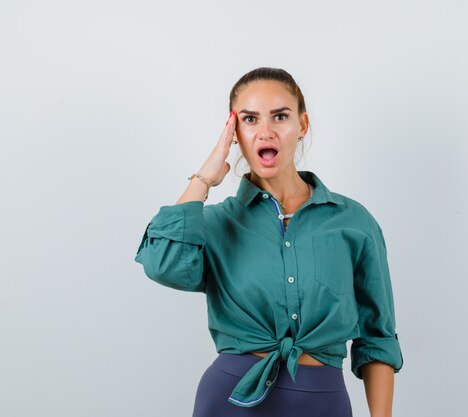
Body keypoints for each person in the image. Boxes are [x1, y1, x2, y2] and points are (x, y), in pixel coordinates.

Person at [134, 67, 404, 417]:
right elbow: (162, 264)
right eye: (249, 119)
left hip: (323, 403)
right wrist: (205, 177)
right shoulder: (215, 223)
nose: (266, 132)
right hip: (229, 399)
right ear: (234, 134)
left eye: (280, 116)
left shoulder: (353, 222)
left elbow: (377, 336)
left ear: (302, 125)